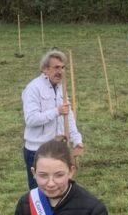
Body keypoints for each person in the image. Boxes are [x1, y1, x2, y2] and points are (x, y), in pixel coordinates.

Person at [23, 50, 83, 190]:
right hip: (37, 150)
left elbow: (69, 116)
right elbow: (31, 119)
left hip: (58, 148)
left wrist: (77, 140)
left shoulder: (62, 87)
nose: (60, 71)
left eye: (63, 67)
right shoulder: (33, 88)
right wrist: (56, 111)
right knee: (40, 192)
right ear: (44, 69)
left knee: (60, 189)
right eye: (56, 67)